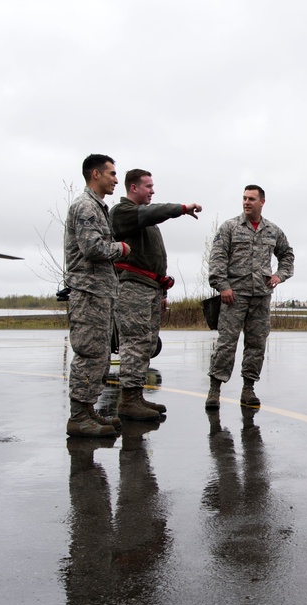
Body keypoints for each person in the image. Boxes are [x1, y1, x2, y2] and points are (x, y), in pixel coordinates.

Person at [110, 169, 202, 420]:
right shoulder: (124, 213)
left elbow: (155, 258)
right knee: (135, 342)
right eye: (148, 186)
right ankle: (129, 400)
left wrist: (162, 291)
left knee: (147, 343)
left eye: (153, 186)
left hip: (150, 288)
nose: (152, 190)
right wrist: (181, 208)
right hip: (132, 288)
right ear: (133, 188)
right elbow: (152, 213)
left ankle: (136, 396)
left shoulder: (145, 222)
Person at [205, 185, 294, 409]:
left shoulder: (273, 230)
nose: (246, 202)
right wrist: (222, 286)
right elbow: (217, 258)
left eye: (251, 199)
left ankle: (248, 389)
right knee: (226, 344)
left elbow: (287, 255)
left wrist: (279, 275)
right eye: (244, 198)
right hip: (234, 296)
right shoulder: (230, 227)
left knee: (256, 345)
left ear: (262, 202)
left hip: (261, 297)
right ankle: (214, 391)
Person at [64, 154, 130, 437]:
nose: (116, 179)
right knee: (89, 354)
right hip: (88, 293)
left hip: (100, 293)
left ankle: (88, 410)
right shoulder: (86, 207)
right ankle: (78, 416)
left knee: (100, 355)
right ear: (95, 174)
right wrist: (120, 249)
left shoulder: (97, 207)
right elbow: (92, 248)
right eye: (112, 174)